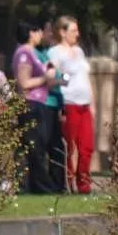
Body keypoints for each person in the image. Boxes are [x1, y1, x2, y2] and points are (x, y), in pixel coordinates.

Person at [45, 15, 94, 194]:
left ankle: (84, 184)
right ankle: (68, 182)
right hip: (69, 104)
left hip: (84, 105)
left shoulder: (79, 52)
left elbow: (86, 78)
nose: (77, 34)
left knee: (87, 146)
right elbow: (51, 76)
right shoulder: (55, 52)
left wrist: (92, 103)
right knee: (69, 147)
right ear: (62, 32)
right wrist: (66, 79)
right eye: (73, 30)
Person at [11, 21, 56, 194]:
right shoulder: (23, 53)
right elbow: (24, 83)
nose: (40, 35)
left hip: (39, 103)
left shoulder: (34, 53)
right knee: (33, 147)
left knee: (36, 147)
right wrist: (45, 77)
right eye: (38, 32)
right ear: (31, 33)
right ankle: (42, 187)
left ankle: (29, 186)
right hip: (29, 104)